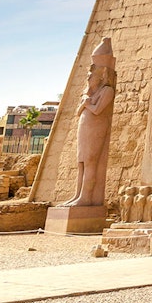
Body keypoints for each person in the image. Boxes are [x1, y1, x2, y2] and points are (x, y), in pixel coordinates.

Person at [62, 37, 116, 207]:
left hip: (97, 128)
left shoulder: (107, 91)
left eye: (91, 76)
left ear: (100, 77)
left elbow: (98, 110)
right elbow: (79, 112)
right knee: (81, 164)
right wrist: (85, 102)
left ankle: (86, 197)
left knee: (91, 162)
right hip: (85, 127)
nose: (88, 79)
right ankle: (77, 195)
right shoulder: (91, 94)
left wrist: (87, 104)